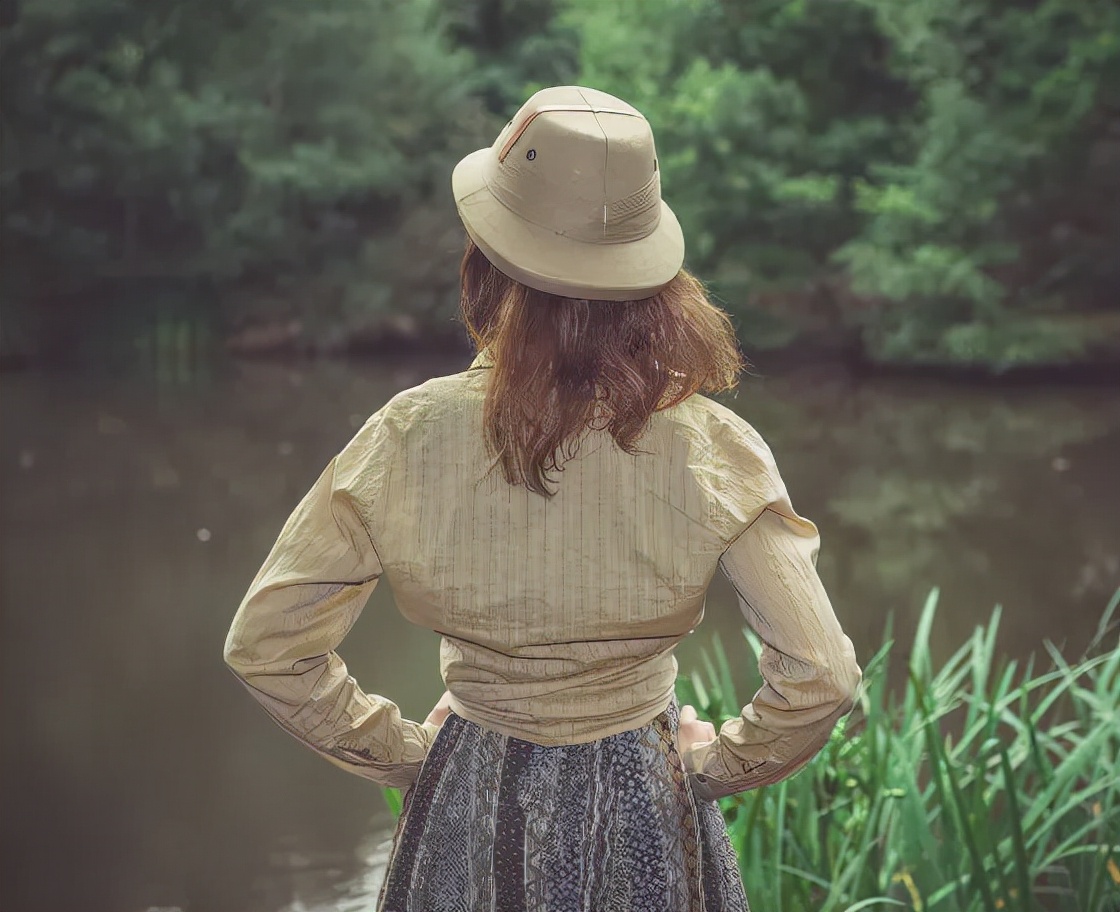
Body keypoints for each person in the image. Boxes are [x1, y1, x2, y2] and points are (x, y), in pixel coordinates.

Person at [223, 85, 862, 912]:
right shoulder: (713, 447)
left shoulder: (408, 434)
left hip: (468, 790)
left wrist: (409, 753)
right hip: (647, 799)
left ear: (487, 260)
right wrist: (711, 764)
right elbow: (822, 676)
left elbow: (269, 646)